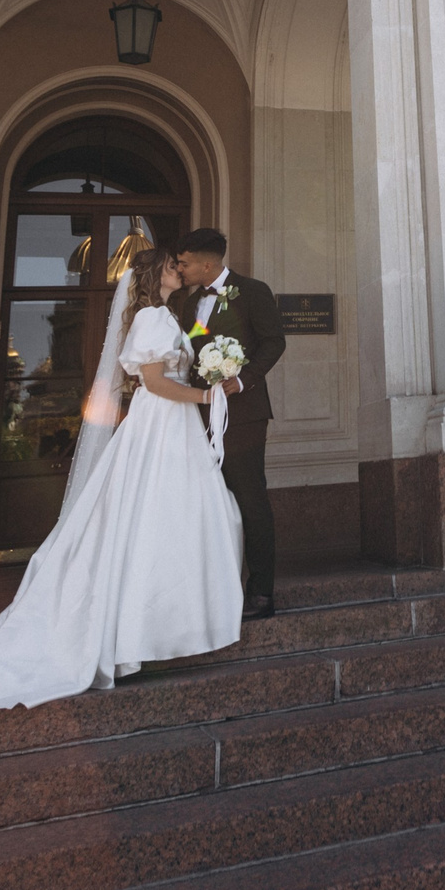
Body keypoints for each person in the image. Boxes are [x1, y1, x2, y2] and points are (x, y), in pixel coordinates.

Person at [0, 249, 243, 709]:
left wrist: (220, 351)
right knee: (159, 512)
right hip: (162, 421)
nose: (178, 270)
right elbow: (157, 383)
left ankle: (172, 621)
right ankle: (144, 626)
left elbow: (191, 344)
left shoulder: (167, 318)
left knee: (184, 512)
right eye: (171, 266)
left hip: (171, 425)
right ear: (153, 274)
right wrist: (207, 394)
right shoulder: (152, 318)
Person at [172, 228, 286, 618]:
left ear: (207, 263)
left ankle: (261, 593)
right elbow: (196, 344)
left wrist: (243, 378)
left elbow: (274, 342)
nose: (180, 269)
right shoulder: (191, 306)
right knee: (210, 501)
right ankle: (217, 589)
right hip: (200, 413)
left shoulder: (253, 291)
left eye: (185, 263)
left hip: (243, 415)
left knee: (251, 498)